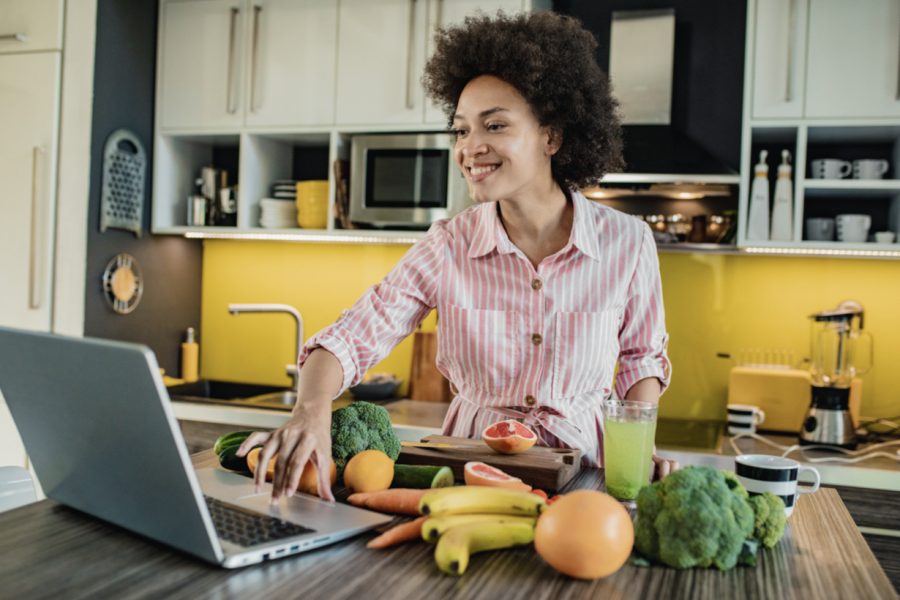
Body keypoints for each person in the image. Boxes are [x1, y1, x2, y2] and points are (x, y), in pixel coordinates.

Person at [238, 11, 673, 502]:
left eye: (495, 125)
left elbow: (641, 360)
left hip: (588, 474)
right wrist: (310, 411)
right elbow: (354, 335)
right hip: (471, 475)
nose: (470, 148)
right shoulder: (448, 245)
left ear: (552, 136)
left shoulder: (627, 243)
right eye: (462, 130)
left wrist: (640, 448)